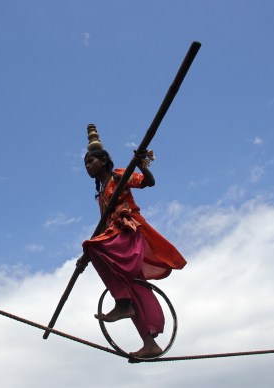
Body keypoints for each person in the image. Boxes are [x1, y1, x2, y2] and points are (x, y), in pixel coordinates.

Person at [80, 126, 187, 359]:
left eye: (91, 161)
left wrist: (139, 164)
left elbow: (149, 182)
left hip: (129, 233)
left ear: (104, 161)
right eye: (85, 164)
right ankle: (149, 343)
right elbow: (103, 226)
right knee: (134, 287)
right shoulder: (101, 196)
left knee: (92, 246)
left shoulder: (119, 175)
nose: (87, 167)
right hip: (115, 234)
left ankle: (122, 302)